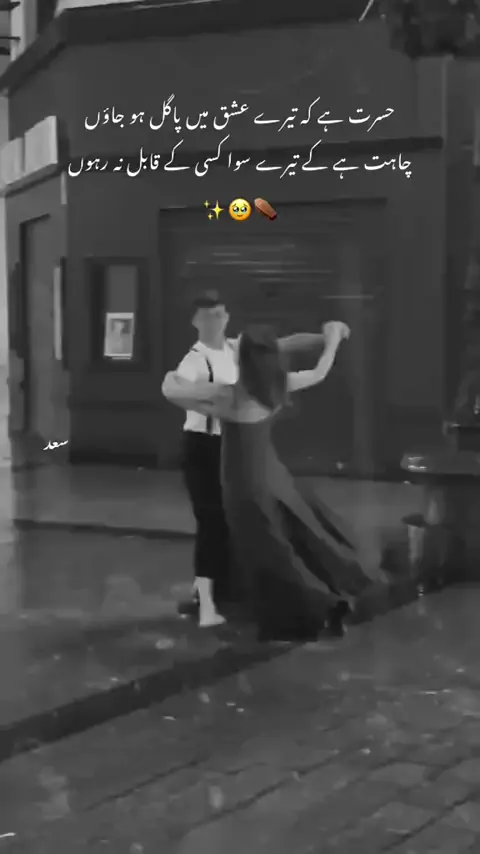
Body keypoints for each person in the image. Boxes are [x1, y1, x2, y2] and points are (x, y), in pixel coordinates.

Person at [163, 320, 374, 641]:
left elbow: (174, 393)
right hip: (269, 474)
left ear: (243, 360)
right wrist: (331, 340)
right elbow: (318, 372)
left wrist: (171, 379)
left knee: (266, 549)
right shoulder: (278, 385)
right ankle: (315, 598)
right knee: (278, 538)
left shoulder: (230, 395)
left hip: (241, 482)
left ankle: (314, 606)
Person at [172, 291, 332, 628]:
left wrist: (326, 336)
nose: (216, 320)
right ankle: (206, 601)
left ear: (228, 316)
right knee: (212, 523)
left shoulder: (237, 348)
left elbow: (285, 344)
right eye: (209, 315)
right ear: (196, 321)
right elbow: (177, 391)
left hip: (235, 447)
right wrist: (193, 394)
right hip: (204, 446)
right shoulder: (194, 361)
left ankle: (225, 591)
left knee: (238, 522)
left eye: (220, 313)